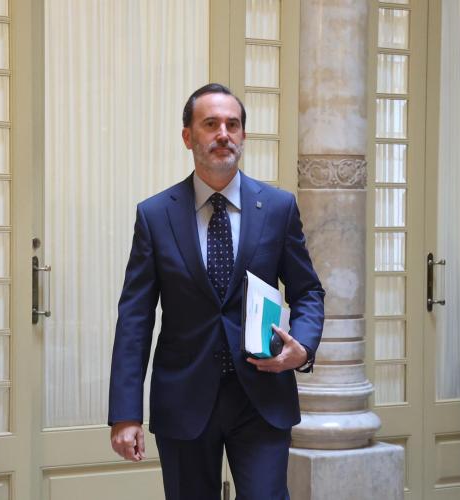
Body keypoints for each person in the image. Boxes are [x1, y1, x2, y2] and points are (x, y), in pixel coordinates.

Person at [108, 83, 325, 500]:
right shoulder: (155, 215)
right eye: (210, 124)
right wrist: (125, 413)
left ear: (243, 134)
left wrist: (303, 347)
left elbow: (308, 291)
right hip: (184, 399)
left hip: (262, 397)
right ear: (188, 136)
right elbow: (135, 318)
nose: (223, 134)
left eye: (233, 124)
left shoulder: (278, 207)